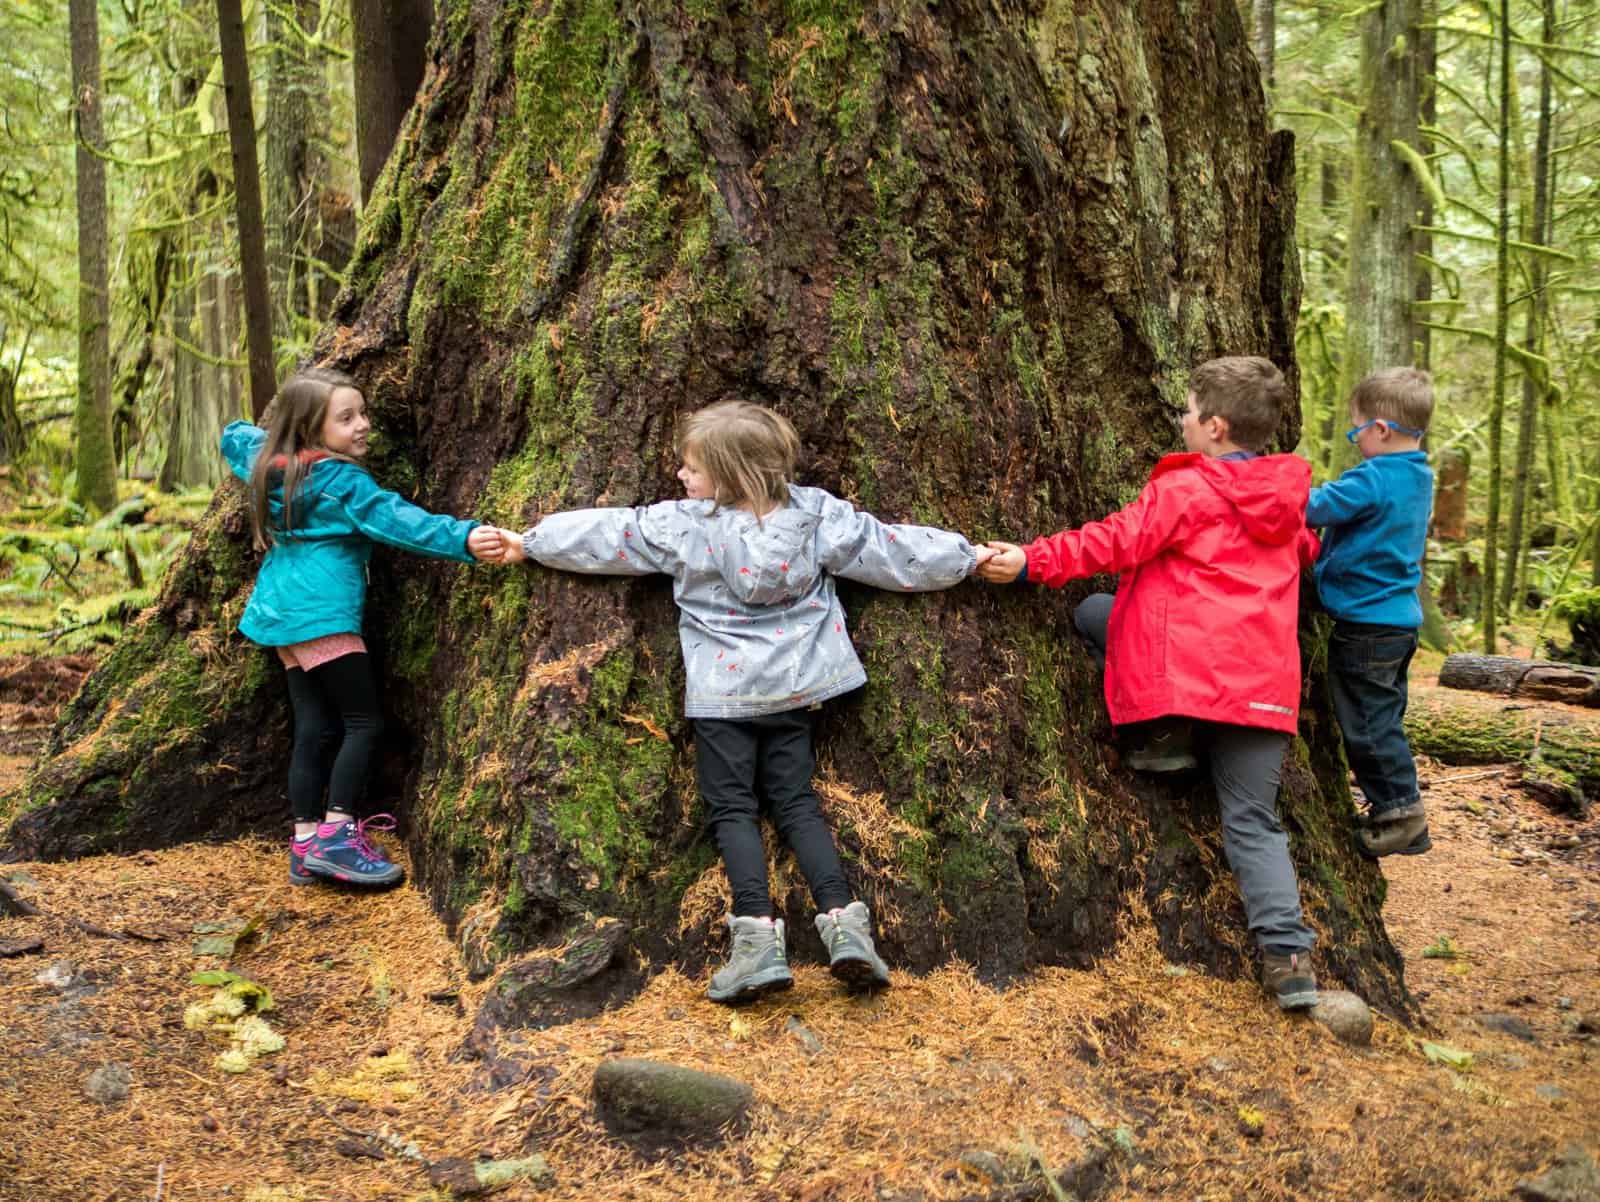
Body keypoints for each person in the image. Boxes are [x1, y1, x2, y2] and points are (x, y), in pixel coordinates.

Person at [491, 400, 992, 1004]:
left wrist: (533, 542)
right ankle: (846, 928)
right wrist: (967, 557)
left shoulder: (685, 524)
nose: (681, 476)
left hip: (724, 698)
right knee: (796, 803)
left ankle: (755, 941)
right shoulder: (816, 516)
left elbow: (612, 534)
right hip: (798, 690)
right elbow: (889, 549)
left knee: (732, 809)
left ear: (729, 475)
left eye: (692, 468)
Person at [978, 356, 1323, 1010]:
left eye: (1188, 413)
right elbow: (1309, 557)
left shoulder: (1186, 491)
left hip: (1185, 676)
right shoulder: (1290, 507)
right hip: (1262, 690)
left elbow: (1114, 542)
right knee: (1253, 821)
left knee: (1093, 611)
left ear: (1215, 427)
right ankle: (1289, 958)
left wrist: (1030, 562)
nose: (1182, 423)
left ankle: (1165, 730)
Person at [221, 368, 502, 888]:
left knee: (316, 725)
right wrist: (465, 538)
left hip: (280, 614)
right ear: (309, 427)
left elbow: (233, 435)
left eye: (363, 413)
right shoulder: (343, 483)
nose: (364, 425)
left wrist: (278, 436)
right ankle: (336, 835)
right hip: (322, 613)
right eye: (346, 418)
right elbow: (399, 522)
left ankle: (305, 841)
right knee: (362, 722)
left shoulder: (265, 463)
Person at [1306, 367, 1435, 858]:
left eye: (1355, 430)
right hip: (1396, 623)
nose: (1355, 441)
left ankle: (1401, 813)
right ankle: (1399, 809)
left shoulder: (1376, 477)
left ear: (1380, 429)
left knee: (1367, 724)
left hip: (1367, 626)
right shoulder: (1419, 475)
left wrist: (1266, 492)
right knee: (1383, 719)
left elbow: (1316, 508)